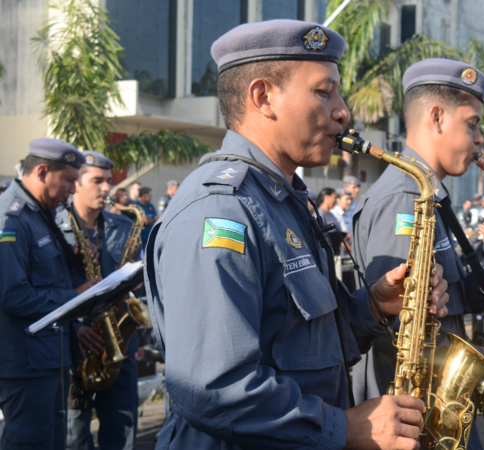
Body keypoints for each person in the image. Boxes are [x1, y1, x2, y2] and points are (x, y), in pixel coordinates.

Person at [143, 19, 451, 449]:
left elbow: (300, 342)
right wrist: (346, 428)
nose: (343, 111)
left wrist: (374, 305)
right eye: (324, 92)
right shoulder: (221, 208)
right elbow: (214, 388)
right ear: (263, 96)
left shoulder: (283, 200)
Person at [352, 59, 484, 450]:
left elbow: (440, 304)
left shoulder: (427, 195)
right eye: (472, 124)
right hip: (415, 420)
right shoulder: (403, 200)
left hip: (436, 410)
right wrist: (483, 357)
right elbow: (402, 334)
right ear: (436, 117)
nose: (480, 139)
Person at [0, 138, 98, 450]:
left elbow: (48, 281)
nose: (73, 190)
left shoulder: (41, 214)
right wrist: (76, 295)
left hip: (50, 357)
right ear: (43, 171)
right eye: (69, 180)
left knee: (52, 441)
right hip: (26, 365)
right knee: (29, 441)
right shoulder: (11, 219)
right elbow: (13, 296)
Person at [54, 151, 140, 450]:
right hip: (74, 343)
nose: (107, 188)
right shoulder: (53, 227)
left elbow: (136, 282)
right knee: (74, 436)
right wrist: (75, 328)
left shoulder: (123, 226)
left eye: (108, 181)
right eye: (97, 181)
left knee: (122, 430)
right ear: (76, 183)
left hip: (116, 341)